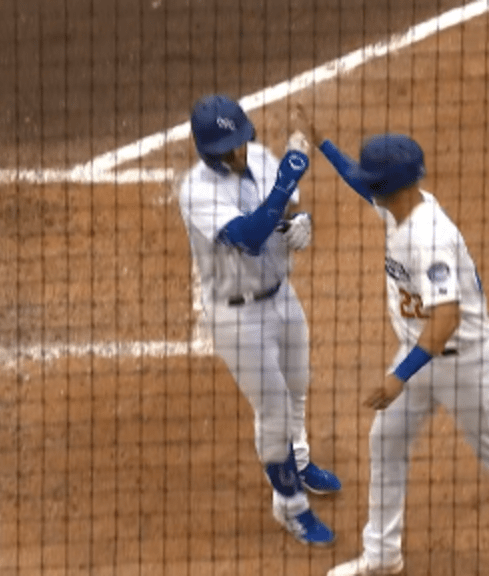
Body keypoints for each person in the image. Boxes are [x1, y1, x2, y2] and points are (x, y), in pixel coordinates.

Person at [303, 126, 489, 575]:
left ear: (386, 185)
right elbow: (360, 183)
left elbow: (446, 318)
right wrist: (323, 144)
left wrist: (398, 377)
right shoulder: (403, 204)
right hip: (423, 355)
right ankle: (382, 555)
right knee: (386, 441)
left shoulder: (428, 238)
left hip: (464, 366)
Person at [176, 94, 341, 546]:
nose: (241, 150)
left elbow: (281, 215)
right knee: (272, 409)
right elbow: (248, 237)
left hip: (281, 297)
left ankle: (300, 461)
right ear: (210, 150)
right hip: (237, 316)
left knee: (298, 383)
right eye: (231, 145)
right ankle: (290, 506)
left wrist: (298, 224)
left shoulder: (264, 159)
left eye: (243, 140)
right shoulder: (198, 190)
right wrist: (287, 183)